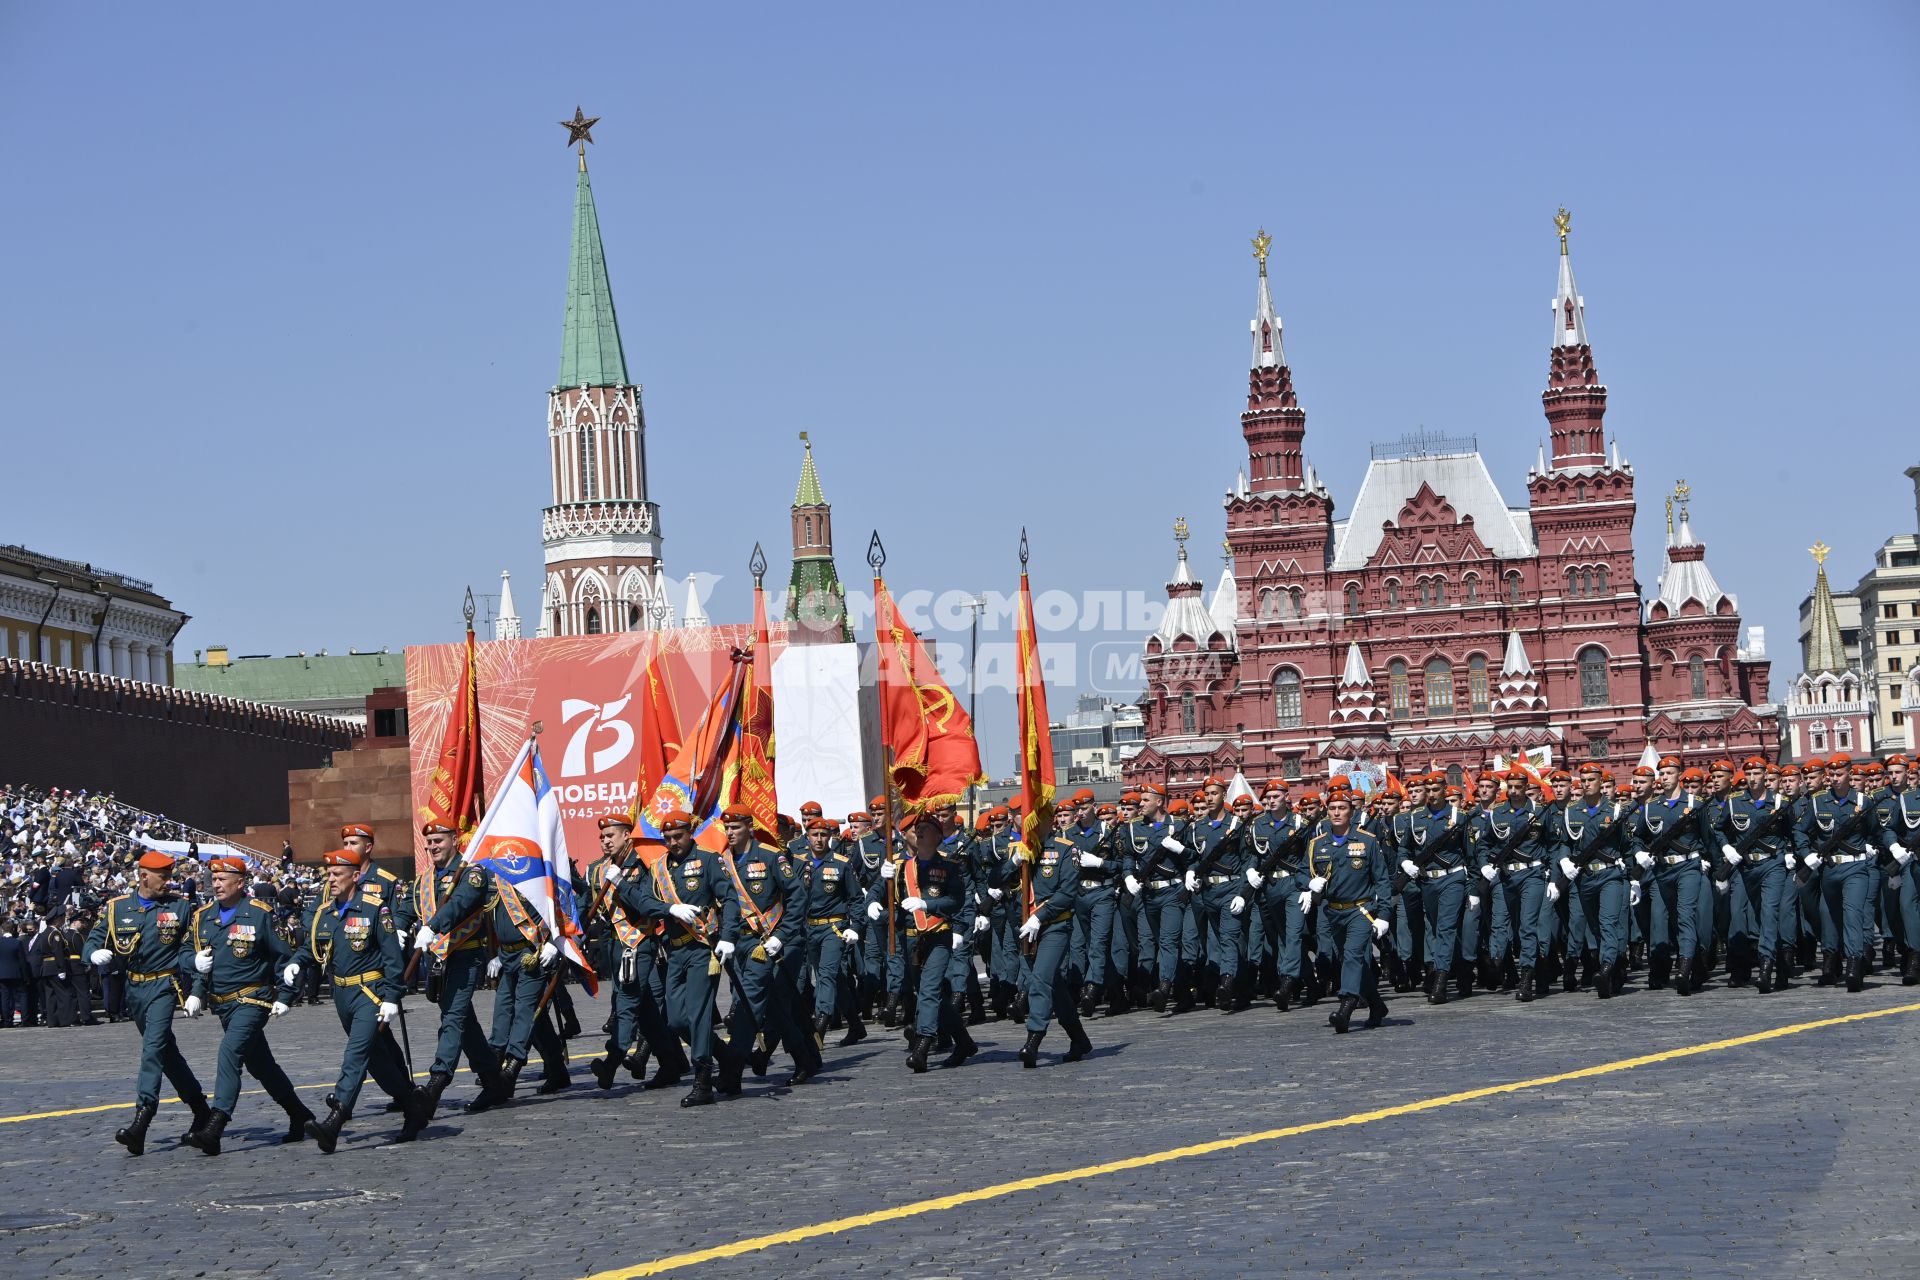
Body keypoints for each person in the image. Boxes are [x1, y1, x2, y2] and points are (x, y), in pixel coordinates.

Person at [288, 848, 429, 1153]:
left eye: (338, 874)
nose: (332, 879)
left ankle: (334, 1121)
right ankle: (412, 1105)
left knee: (355, 1054)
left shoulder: (375, 909)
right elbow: (315, 948)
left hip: (369, 993)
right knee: (377, 1061)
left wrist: (392, 997)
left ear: (355, 876)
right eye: (329, 874)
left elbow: (393, 960)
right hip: (342, 995)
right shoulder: (326, 913)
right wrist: (296, 962)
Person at [181, 856, 313, 1154]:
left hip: (252, 1000)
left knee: (229, 1054)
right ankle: (299, 1114)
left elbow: (283, 957)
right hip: (222, 1005)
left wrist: (286, 996)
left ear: (240, 883)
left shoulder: (260, 914)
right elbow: (192, 956)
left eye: (222, 879)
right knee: (262, 1066)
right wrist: (195, 980)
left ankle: (214, 1127)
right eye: (213, 879)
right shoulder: (203, 916)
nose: (215, 884)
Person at [84, 849, 211, 1156]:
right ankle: (200, 1108)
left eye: (170, 876)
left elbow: (191, 950)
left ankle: (142, 1120)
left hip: (164, 986)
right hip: (134, 989)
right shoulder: (116, 908)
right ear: (143, 877)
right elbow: (94, 938)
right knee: (166, 1053)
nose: (169, 882)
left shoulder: (180, 908)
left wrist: (197, 988)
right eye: (163, 877)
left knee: (152, 1049)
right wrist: (92, 954)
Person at [618, 810, 740, 1106]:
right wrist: (669, 909)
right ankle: (727, 1058)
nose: (673, 842)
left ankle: (703, 1081)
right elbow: (644, 900)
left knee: (698, 1015)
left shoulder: (709, 860)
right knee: (676, 1020)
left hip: (702, 949)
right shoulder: (659, 867)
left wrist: (727, 937)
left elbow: (730, 899)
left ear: (690, 833)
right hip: (676, 950)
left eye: (678, 836)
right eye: (668, 838)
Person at [403, 823, 513, 1115]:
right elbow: (406, 907)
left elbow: (460, 905)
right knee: (466, 1026)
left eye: (438, 840)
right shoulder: (425, 879)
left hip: (465, 957)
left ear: (454, 840)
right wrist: (399, 930)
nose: (433, 846)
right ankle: (494, 1083)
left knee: (453, 1019)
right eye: (428, 842)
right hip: (439, 961)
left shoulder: (471, 874)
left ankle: (436, 1084)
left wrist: (433, 927)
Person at [581, 812, 689, 1092]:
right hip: (614, 946)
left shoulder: (642, 866)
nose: (605, 841)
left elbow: (646, 904)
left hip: (638, 944)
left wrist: (620, 882)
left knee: (626, 1003)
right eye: (602, 837)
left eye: (611, 836)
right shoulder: (598, 869)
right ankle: (669, 1064)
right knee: (646, 1011)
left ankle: (611, 1061)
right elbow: (584, 904)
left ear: (627, 835)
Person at [870, 807, 977, 1073]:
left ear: (938, 836)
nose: (919, 830)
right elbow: (876, 894)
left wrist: (926, 904)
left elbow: (956, 900)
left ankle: (922, 1047)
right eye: (917, 828)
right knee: (933, 996)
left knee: (929, 991)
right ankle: (964, 1042)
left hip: (938, 936)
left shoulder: (950, 866)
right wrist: (873, 899)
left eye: (926, 827)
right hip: (909, 940)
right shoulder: (898, 867)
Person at [1002, 805, 1090, 1066]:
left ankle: (1034, 1038)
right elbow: (994, 880)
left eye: (1036, 818)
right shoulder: (1015, 850)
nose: (1030, 823)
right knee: (1054, 985)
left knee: (1040, 980)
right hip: (1025, 929)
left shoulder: (1065, 849)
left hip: (1053, 925)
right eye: (1025, 817)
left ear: (1049, 821)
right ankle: (1078, 1038)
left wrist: (1039, 916)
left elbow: (1066, 893)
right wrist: (1012, 864)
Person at [1299, 786, 1390, 1033]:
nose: (1337, 812)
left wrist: (1383, 916)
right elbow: (1300, 872)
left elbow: (1382, 880)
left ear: (1351, 811)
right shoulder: (1317, 844)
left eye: (1342, 808)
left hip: (1361, 910)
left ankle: (1346, 1007)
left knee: (1352, 955)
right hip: (1332, 912)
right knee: (1353, 961)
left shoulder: (1367, 841)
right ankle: (1377, 1005)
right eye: (1332, 808)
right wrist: (1309, 883)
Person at [799, 817, 868, 1048]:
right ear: (807, 836)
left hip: (833, 928)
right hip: (809, 928)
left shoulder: (841, 863)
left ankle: (820, 1023)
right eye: (814, 835)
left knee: (826, 975)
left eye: (823, 835)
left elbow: (856, 899)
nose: (819, 839)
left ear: (830, 837)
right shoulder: (798, 863)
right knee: (835, 980)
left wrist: (854, 927)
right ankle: (856, 1025)